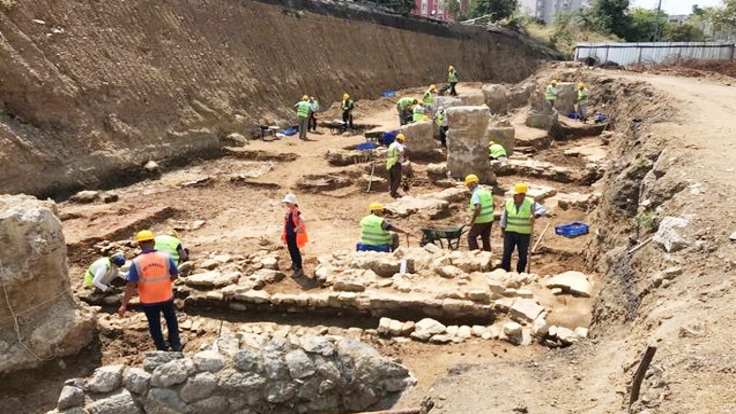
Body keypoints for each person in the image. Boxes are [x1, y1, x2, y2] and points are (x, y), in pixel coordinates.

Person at [118, 230, 181, 352]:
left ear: (140, 244)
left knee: (154, 324)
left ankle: (161, 348)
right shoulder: (165, 257)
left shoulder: (136, 262)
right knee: (171, 320)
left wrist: (124, 305)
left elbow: (131, 285)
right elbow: (174, 275)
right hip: (166, 296)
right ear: (153, 242)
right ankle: (176, 344)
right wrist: (165, 283)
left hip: (148, 301)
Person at [500, 183, 547, 273]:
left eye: (516, 195)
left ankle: (520, 272)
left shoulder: (530, 203)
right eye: (514, 194)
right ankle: (505, 271)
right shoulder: (509, 202)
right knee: (507, 252)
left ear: (522, 195)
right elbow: (504, 217)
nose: (514, 196)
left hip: (524, 234)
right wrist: (502, 230)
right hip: (510, 233)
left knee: (522, 254)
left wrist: (535, 215)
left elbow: (542, 210)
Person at [280, 193, 308, 278]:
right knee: (291, 250)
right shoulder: (289, 211)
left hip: (294, 235)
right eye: (286, 203)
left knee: (295, 251)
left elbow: (303, 220)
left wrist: (297, 228)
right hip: (288, 234)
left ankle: (299, 268)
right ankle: (294, 263)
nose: (287, 204)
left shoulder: (297, 211)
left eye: (288, 203)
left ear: (293, 203)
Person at [464, 174, 494, 252]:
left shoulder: (476, 194)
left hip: (481, 220)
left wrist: (472, 221)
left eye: (469, 185)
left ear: (474, 183)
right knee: (485, 238)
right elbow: (493, 205)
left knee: (471, 237)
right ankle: (487, 255)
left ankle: (475, 255)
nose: (468, 187)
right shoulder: (486, 191)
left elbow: (478, 208)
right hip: (489, 219)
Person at [386, 133, 407, 198]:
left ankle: (391, 191)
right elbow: (401, 151)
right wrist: (401, 157)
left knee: (392, 179)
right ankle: (393, 193)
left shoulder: (391, 144)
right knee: (397, 179)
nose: (403, 142)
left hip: (389, 163)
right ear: (400, 140)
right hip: (396, 163)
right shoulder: (399, 145)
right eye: (402, 141)